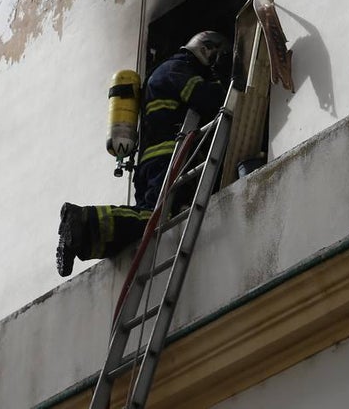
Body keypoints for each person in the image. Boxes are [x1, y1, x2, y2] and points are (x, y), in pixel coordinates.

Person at [55, 31, 231, 277]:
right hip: (168, 159)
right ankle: (83, 219)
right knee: (157, 216)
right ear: (206, 48)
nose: (214, 59)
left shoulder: (165, 71)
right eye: (214, 54)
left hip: (153, 163)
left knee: (143, 224)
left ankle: (84, 242)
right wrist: (223, 77)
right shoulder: (176, 69)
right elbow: (208, 99)